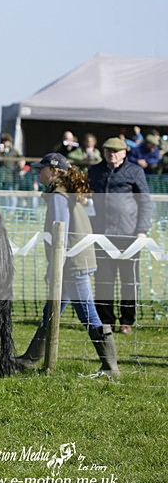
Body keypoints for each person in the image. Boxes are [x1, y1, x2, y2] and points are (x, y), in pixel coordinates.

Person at [15, 153, 120, 378]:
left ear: (53, 171)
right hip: (74, 261)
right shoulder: (66, 192)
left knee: (88, 314)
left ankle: (110, 367)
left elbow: (60, 235)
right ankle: (30, 360)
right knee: (50, 312)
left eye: (41, 168)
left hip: (72, 264)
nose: (38, 172)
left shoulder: (59, 196)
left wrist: (54, 269)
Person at [88, 137, 154, 335]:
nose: (112, 155)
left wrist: (141, 230)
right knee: (103, 280)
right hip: (102, 236)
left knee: (129, 281)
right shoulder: (95, 172)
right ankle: (106, 320)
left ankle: (127, 321)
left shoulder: (135, 172)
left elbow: (145, 202)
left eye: (116, 151)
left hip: (129, 236)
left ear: (124, 152)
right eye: (108, 151)